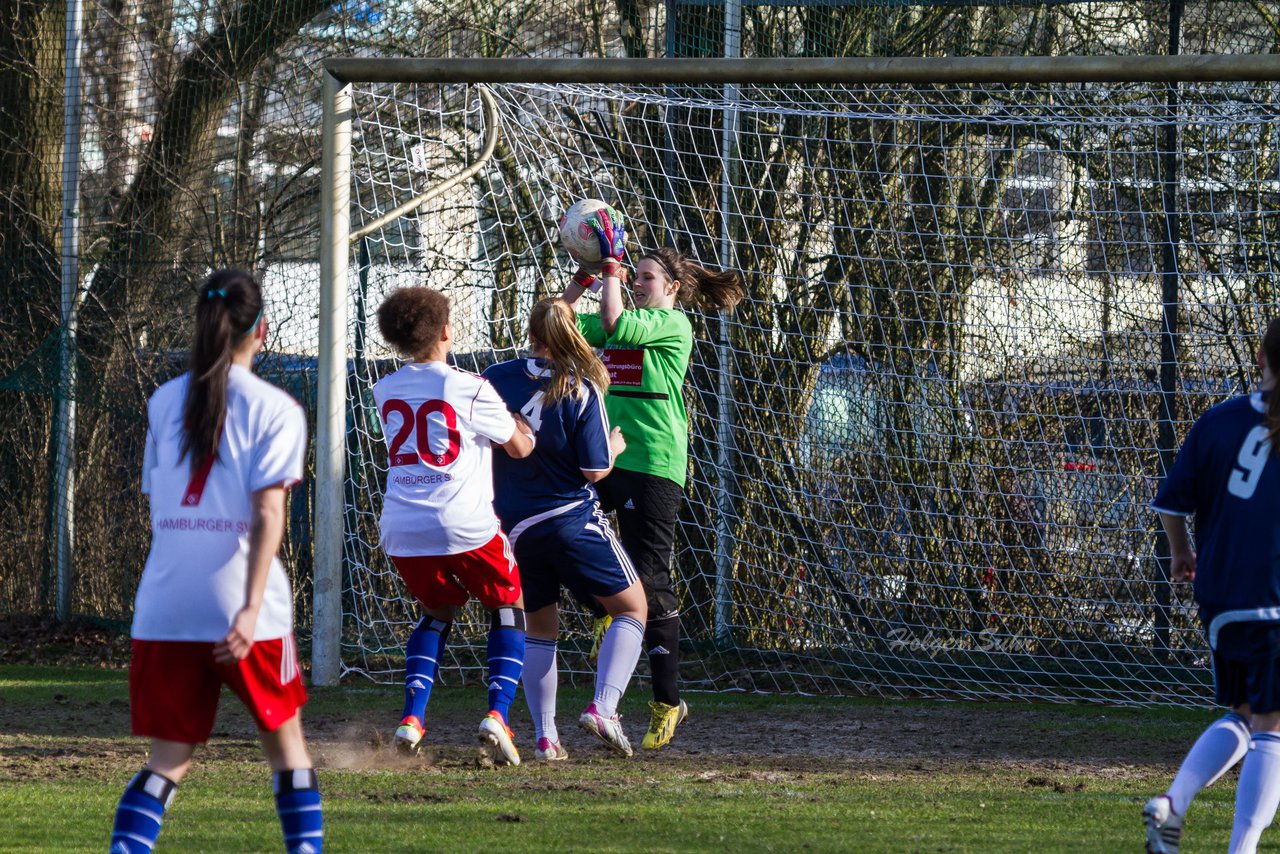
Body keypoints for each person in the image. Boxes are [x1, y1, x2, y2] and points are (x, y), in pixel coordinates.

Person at [109, 269, 322, 854]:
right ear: (263, 332)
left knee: (167, 760)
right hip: (241, 606)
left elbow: (160, 503)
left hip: (165, 605)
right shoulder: (277, 408)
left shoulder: (161, 400)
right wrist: (250, 609)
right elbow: (268, 516)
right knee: (287, 750)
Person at [563, 208, 744, 750]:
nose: (638, 283)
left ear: (671, 288)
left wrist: (614, 270)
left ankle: (667, 701)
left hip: (656, 466)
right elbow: (554, 324)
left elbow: (616, 325)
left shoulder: (672, 324)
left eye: (647, 278)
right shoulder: (616, 308)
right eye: (634, 276)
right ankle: (602, 613)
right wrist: (583, 280)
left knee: (651, 580)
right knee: (560, 531)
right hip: (609, 458)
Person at [372, 286, 535, 766]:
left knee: (437, 610)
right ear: (446, 331)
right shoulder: (470, 386)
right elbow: (518, 447)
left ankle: (412, 718)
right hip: (463, 522)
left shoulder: (384, 389)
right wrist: (522, 427)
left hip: (403, 525)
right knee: (509, 604)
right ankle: (497, 715)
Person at [483, 297, 647, 759]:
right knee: (633, 608)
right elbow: (594, 471)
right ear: (571, 332)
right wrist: (613, 448)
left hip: (514, 527)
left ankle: (545, 738)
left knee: (540, 629)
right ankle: (604, 707)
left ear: (530, 331)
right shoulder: (581, 386)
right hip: (569, 518)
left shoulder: (494, 378)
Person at [1145, 317, 1280, 854]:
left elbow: (1171, 503)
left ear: (1260, 359)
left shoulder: (1218, 421)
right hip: (1275, 595)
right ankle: (1241, 848)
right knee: (1272, 724)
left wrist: (1181, 553)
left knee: (1245, 714)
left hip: (1222, 596)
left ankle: (1172, 805)